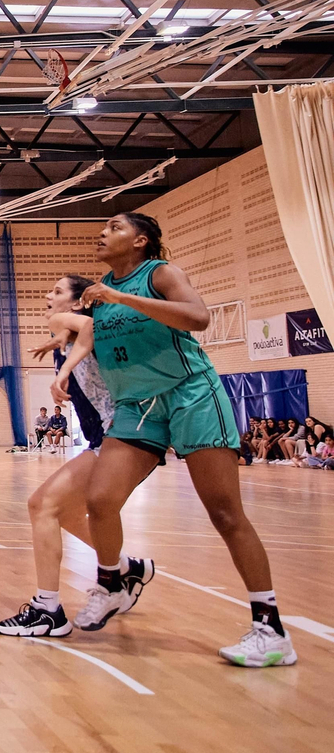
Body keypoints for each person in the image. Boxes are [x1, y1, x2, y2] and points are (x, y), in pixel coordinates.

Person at [76, 212, 295, 667]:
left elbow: (198, 317)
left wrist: (118, 295)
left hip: (190, 394)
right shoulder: (100, 292)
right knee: (99, 500)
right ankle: (114, 584)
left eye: (115, 227)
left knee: (224, 512)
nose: (103, 232)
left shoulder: (159, 274)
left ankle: (270, 628)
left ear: (140, 241)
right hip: (137, 407)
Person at [0, 274, 155, 639]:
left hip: (124, 436)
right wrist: (61, 347)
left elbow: (91, 328)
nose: (47, 295)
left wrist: (64, 365)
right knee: (62, 512)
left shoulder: (79, 323)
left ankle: (47, 609)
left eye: (57, 291)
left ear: (79, 301)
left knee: (41, 506)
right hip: (113, 438)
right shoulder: (64, 337)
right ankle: (125, 568)